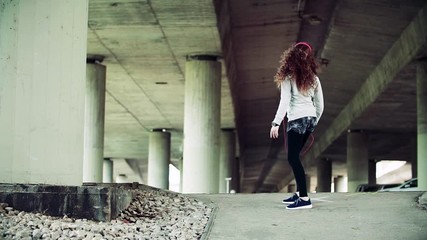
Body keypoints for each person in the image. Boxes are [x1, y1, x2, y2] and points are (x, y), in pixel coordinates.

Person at [270, 42, 324, 210]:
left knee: (292, 158)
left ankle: (305, 199)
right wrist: (314, 122)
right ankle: (300, 193)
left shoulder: (288, 77)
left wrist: (276, 123)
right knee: (295, 158)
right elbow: (320, 104)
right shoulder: (314, 78)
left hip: (297, 120)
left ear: (290, 58)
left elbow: (284, 101)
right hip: (310, 119)